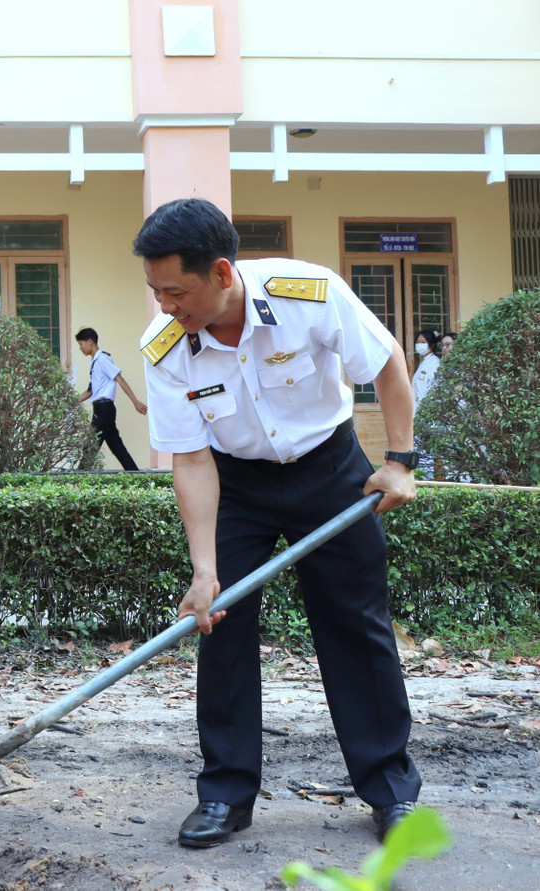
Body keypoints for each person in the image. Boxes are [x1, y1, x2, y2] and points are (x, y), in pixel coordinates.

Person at [131, 198, 421, 848]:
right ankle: (225, 794)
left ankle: (390, 789)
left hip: (330, 467)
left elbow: (387, 363)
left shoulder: (307, 294)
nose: (165, 306)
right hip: (238, 482)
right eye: (156, 291)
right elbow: (191, 457)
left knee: (356, 624)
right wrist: (204, 571)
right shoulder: (166, 344)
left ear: (223, 273)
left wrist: (400, 459)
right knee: (221, 623)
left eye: (176, 291)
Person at [73, 327, 147, 470]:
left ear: (90, 342)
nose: (80, 348)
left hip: (104, 409)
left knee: (90, 445)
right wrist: (72, 402)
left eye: (81, 344)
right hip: (101, 408)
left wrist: (135, 402)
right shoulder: (95, 362)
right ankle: (134, 473)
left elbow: (119, 379)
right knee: (116, 446)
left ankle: (79, 475)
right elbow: (91, 391)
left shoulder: (103, 360)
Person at [411, 329, 441, 407]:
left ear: (432, 344)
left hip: (427, 409)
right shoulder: (423, 362)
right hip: (417, 409)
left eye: (423, 342)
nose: (419, 344)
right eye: (417, 342)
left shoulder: (435, 363)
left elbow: (435, 388)